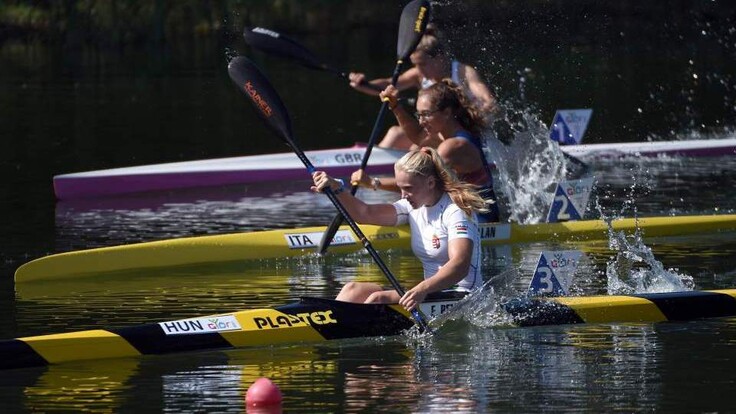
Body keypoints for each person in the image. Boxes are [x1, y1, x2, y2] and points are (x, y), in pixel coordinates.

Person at [311, 147, 486, 311]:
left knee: (378, 299)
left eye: (408, 188)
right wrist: (337, 189)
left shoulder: (456, 211)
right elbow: (365, 213)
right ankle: (326, 324)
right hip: (429, 292)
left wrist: (421, 289)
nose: (403, 195)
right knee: (353, 289)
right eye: (401, 188)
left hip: (464, 296)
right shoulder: (412, 206)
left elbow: (460, 265)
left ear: (431, 183)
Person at [351, 79, 500, 223]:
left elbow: (417, 183)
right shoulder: (447, 133)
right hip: (461, 214)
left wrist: (373, 182)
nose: (421, 121)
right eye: (419, 114)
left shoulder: (453, 147)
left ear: (447, 112)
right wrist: (395, 106)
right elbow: (418, 136)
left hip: (480, 220)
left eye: (426, 114)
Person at [349, 28, 499, 150]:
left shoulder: (464, 72)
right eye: (415, 65)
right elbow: (388, 85)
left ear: (440, 58)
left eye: (422, 64)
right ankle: (369, 170)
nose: (418, 70)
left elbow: (489, 102)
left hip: (466, 138)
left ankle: (379, 178)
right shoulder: (419, 75)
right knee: (395, 133)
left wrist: (480, 110)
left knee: (416, 147)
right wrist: (364, 84)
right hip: (437, 134)